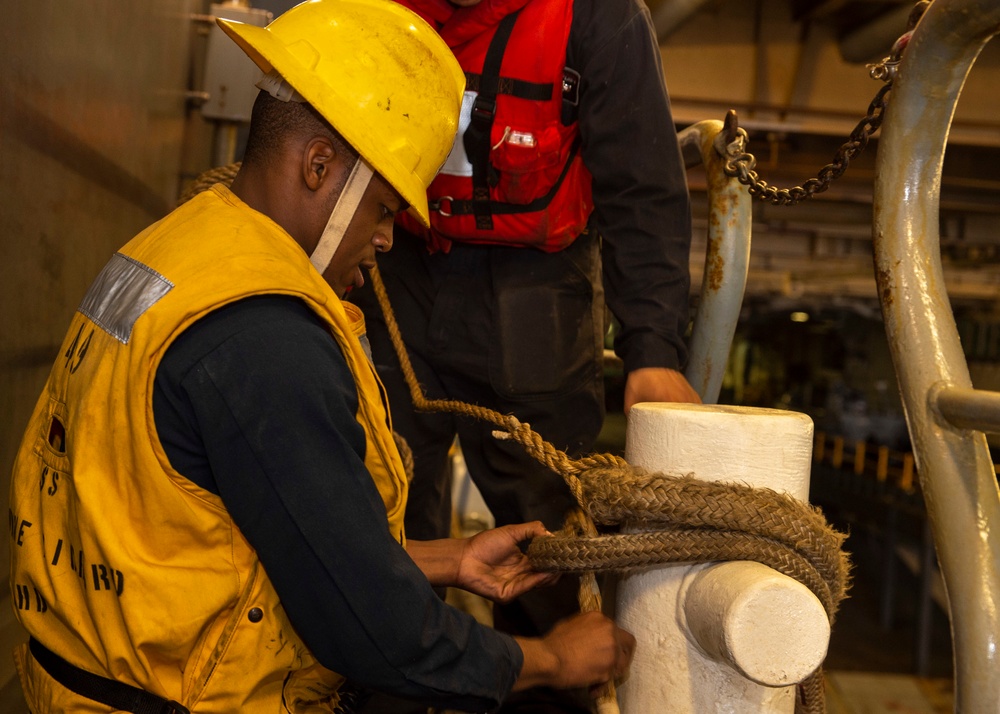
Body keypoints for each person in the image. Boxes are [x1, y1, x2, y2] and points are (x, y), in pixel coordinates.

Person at [6, 2, 635, 712]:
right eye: (385, 210)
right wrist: (550, 658)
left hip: (81, 674)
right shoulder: (263, 335)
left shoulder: (181, 248)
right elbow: (377, 636)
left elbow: (248, 526)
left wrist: (447, 559)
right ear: (317, 166)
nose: (389, 240)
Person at [348, 0, 697, 710]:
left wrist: (652, 347)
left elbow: (643, 190)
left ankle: (549, 689)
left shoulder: (602, 20)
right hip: (399, 266)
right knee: (380, 493)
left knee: (545, 533)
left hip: (540, 289)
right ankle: (383, 692)